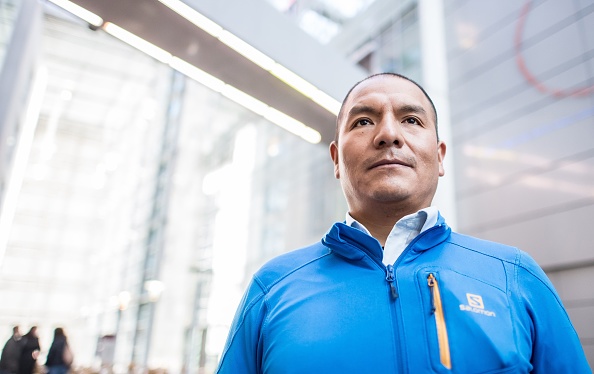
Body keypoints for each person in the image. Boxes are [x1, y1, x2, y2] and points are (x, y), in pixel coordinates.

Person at [216, 73, 592, 373]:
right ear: (335, 159)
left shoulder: (515, 276)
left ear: (440, 157)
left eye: (411, 120)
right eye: (363, 121)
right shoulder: (272, 289)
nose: (388, 135)